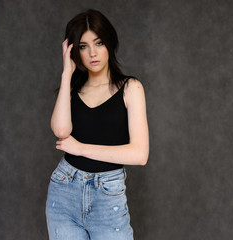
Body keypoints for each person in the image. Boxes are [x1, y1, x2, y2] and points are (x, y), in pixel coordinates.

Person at [45, 9, 149, 240]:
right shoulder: (72, 90)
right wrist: (66, 75)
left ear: (109, 43)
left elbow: (140, 154)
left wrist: (81, 148)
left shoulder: (131, 88)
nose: (92, 53)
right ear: (75, 52)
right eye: (83, 46)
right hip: (64, 190)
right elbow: (61, 131)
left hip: (107, 194)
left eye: (98, 43)